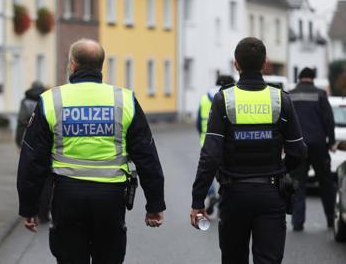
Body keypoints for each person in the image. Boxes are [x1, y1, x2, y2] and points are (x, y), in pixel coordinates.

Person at [17, 39, 165, 263]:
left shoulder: (51, 100)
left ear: (72, 65)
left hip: (67, 196)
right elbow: (147, 156)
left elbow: (32, 159)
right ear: (101, 66)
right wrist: (154, 205)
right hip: (110, 198)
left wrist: (30, 207)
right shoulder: (124, 99)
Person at [190, 37, 307, 264]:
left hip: (234, 195)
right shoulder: (281, 100)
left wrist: (198, 201)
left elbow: (211, 155)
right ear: (265, 64)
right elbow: (299, 151)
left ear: (236, 64)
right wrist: (281, 170)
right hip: (271, 193)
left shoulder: (224, 100)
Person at [289, 67, 336, 231]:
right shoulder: (320, 94)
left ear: (300, 78)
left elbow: (284, 121)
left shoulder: (290, 94)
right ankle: (331, 219)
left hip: (297, 145)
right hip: (318, 145)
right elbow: (328, 119)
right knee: (325, 182)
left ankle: (297, 222)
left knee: (298, 183)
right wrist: (331, 141)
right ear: (312, 78)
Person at [197, 75, 235, 214]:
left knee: (207, 171)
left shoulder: (204, 97)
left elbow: (198, 121)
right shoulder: (230, 97)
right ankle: (222, 197)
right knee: (224, 172)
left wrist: (202, 135)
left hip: (206, 141)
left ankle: (212, 194)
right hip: (226, 142)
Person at [15, 81, 51, 222]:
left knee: (30, 175)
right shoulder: (47, 97)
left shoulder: (25, 101)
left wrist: (18, 142)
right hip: (47, 141)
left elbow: (20, 122)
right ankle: (44, 211)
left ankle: (31, 209)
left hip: (29, 141)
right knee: (47, 178)